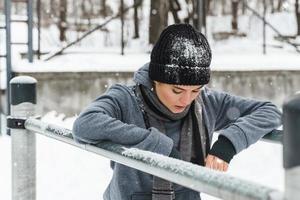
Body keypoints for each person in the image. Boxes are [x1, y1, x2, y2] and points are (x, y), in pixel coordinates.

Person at [72, 24, 281, 200]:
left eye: (195, 90)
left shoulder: (205, 102)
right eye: (177, 90)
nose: (186, 100)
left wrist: (227, 143)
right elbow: (85, 124)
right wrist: (159, 146)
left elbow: (270, 111)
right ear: (155, 79)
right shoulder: (125, 99)